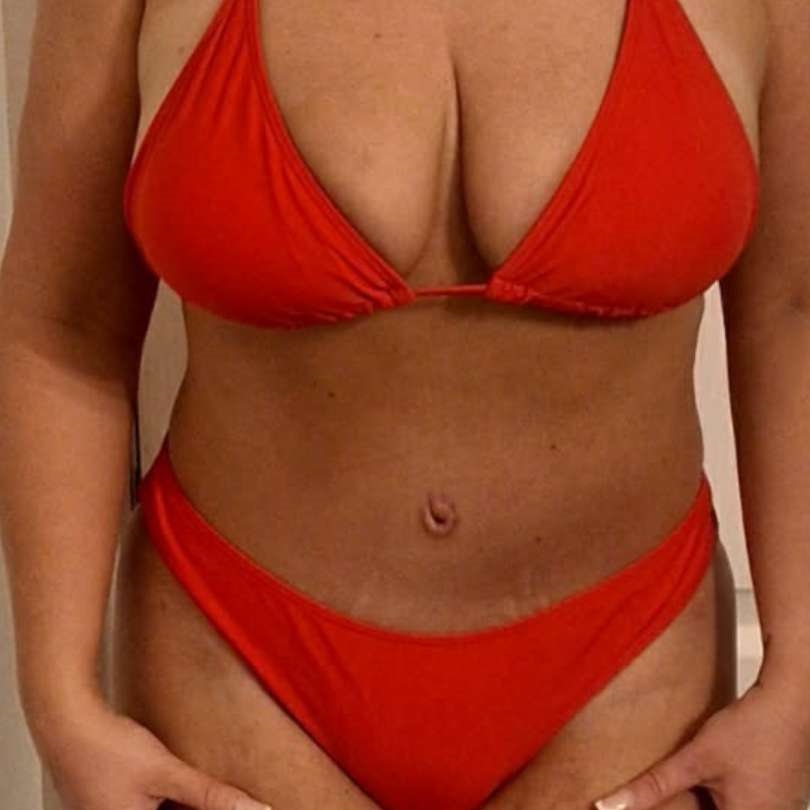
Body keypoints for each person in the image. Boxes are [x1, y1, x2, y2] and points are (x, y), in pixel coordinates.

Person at [2, 1, 809, 809]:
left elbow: (791, 309)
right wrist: (61, 706)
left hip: (630, 670)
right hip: (234, 661)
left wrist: (799, 685)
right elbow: (61, 320)